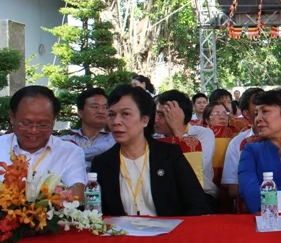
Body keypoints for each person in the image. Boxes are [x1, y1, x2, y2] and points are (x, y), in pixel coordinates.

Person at [91, 85, 213, 216]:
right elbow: (96, 214)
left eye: (125, 114)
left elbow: (198, 205)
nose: (116, 121)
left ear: (145, 120)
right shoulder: (102, 163)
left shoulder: (170, 155)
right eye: (111, 115)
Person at [0, 86, 86, 201]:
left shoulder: (70, 152)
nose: (33, 130)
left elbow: (77, 192)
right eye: (26, 123)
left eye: (42, 124)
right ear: (12, 117)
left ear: (54, 120)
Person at [153, 90, 219, 205]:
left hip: (201, 192)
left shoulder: (203, 134)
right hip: (165, 193)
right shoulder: (154, 138)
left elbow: (197, 167)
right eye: (156, 113)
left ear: (179, 116)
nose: (155, 120)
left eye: (161, 115)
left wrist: (178, 130)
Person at [221, 88, 264, 201]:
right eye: (258, 102)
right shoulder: (238, 143)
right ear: (247, 114)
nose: (264, 105)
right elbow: (233, 190)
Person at [62, 87, 115, 170]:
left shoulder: (115, 139)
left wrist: (72, 155)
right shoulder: (65, 140)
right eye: (95, 107)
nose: (101, 111)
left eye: (105, 107)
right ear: (80, 113)